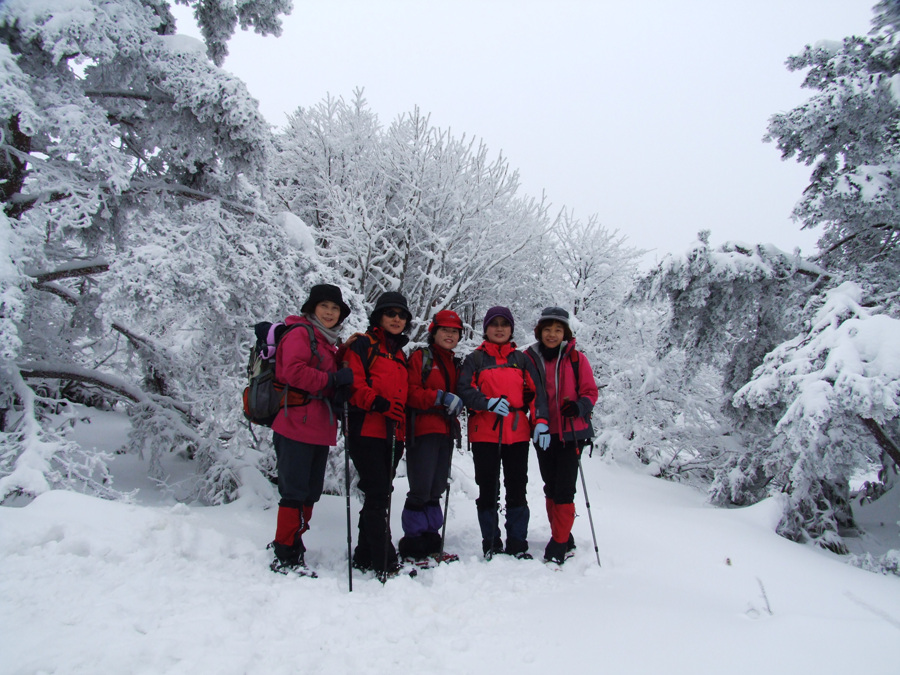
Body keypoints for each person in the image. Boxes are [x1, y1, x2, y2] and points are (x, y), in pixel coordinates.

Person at [269, 284, 354, 574]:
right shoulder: (300, 333)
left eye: (335, 308)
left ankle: (293, 541)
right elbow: (291, 371)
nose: (330, 313)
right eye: (324, 307)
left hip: (317, 426)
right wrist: (332, 381)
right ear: (312, 309)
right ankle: (286, 552)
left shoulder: (326, 341)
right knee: (294, 491)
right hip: (295, 423)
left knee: (309, 492)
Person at [457, 306, 550, 559]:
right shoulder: (474, 359)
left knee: (517, 488)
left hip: (517, 433)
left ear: (511, 329)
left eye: (504, 324)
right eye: (494, 324)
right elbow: (464, 389)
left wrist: (540, 420)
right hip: (484, 433)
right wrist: (485, 402)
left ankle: (517, 543)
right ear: (486, 328)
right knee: (488, 489)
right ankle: (491, 542)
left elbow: (537, 393)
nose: (500, 328)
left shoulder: (522, 360)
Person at [523, 307, 599, 565]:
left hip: (571, 434)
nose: (552, 335)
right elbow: (527, 391)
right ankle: (563, 535)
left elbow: (590, 393)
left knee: (565, 489)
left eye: (557, 330)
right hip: (543, 432)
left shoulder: (577, 359)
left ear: (565, 333)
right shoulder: (531, 358)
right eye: (547, 329)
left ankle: (558, 543)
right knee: (550, 487)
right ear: (540, 332)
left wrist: (579, 406)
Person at [344, 291, 411, 579]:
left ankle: (363, 554)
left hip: (394, 434)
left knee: (378, 495)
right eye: (390, 314)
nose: (396, 319)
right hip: (366, 430)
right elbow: (353, 383)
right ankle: (385, 558)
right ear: (379, 317)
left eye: (401, 315)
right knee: (378, 491)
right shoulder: (362, 345)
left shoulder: (400, 354)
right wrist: (378, 403)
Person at [399, 310, 465, 561]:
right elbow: (410, 392)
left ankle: (430, 541)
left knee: (436, 488)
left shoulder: (454, 362)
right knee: (421, 488)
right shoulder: (421, 357)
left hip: (446, 432)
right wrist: (438, 397)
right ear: (433, 332)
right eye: (445, 330)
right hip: (423, 431)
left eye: (454, 331)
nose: (450, 335)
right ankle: (413, 544)